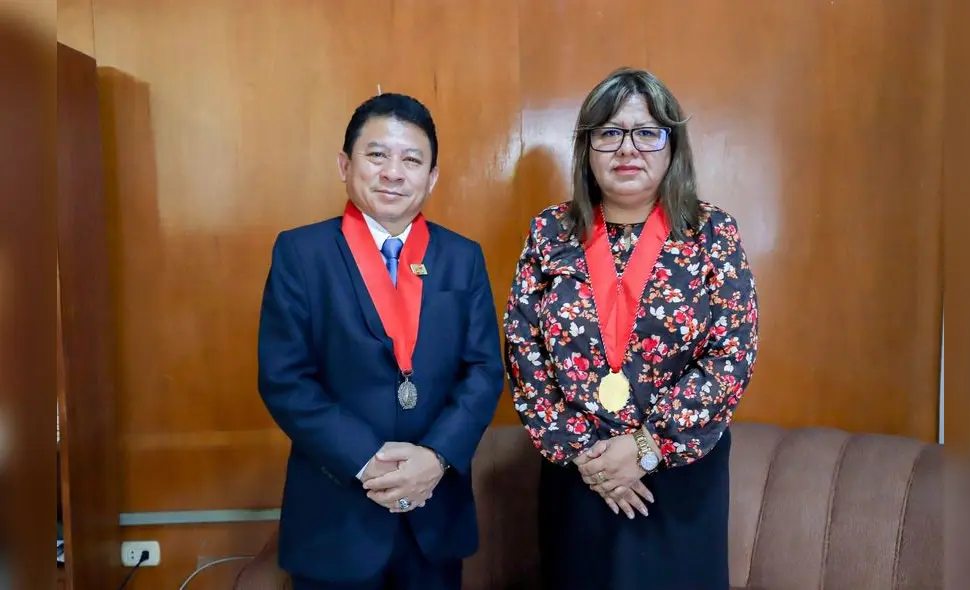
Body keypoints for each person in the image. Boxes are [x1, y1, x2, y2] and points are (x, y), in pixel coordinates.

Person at [503, 67, 760, 589]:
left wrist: (646, 448)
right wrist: (588, 457)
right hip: (581, 475)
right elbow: (522, 347)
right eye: (609, 132)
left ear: (672, 146)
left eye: (647, 132)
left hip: (679, 476)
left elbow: (731, 353)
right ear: (587, 147)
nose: (628, 149)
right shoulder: (550, 232)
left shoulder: (712, 232)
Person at [257, 92, 505, 590]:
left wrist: (434, 459)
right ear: (345, 164)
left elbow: (483, 371)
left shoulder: (462, 257)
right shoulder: (301, 253)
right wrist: (369, 462)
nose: (394, 172)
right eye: (377, 155)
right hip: (337, 514)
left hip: (434, 513)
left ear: (431, 177)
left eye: (412, 160)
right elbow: (286, 380)